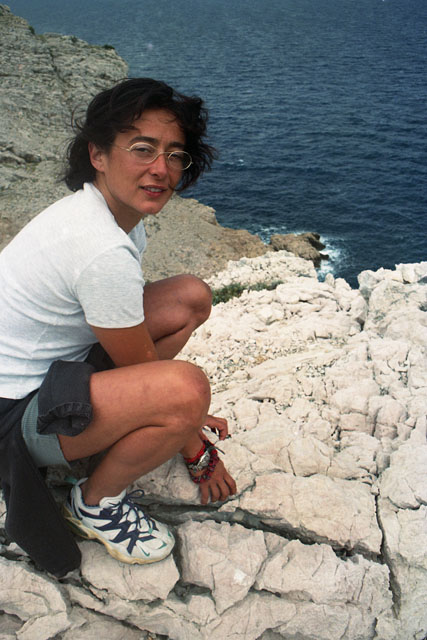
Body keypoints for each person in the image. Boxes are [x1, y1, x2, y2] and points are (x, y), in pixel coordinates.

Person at [0, 77, 237, 576]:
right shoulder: (99, 247)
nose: (161, 169)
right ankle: (95, 503)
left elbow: (132, 341)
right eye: (143, 149)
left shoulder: (112, 215)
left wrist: (173, 415)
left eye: (175, 154)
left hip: (51, 368)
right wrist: (191, 437)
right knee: (186, 391)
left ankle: (123, 429)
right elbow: (146, 372)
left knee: (190, 297)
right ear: (98, 155)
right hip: (11, 414)